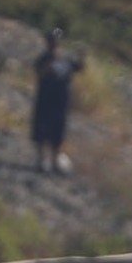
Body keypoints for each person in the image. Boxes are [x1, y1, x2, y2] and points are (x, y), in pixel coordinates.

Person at [31, 28, 84, 175]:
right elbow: (39, 72)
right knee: (41, 130)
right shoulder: (43, 59)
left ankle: (55, 161)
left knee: (58, 132)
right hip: (45, 100)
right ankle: (41, 160)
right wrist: (49, 64)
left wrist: (81, 56)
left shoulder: (65, 60)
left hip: (61, 102)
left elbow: (78, 68)